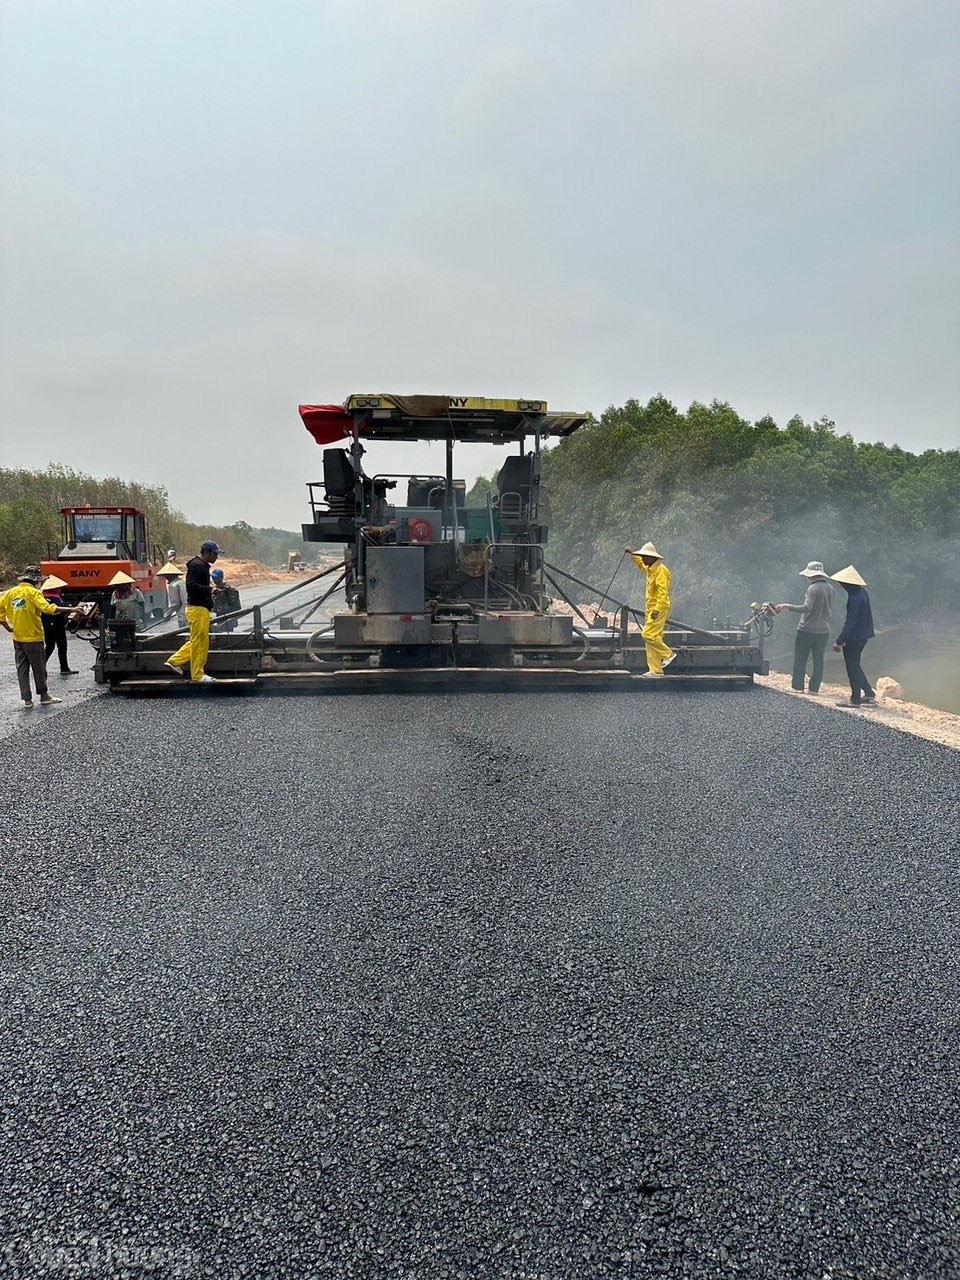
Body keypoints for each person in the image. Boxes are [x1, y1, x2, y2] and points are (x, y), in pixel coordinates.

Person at [0, 566, 70, 708]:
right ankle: (44, 696)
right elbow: (48, 608)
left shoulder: (9, 593)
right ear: (36, 581)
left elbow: (0, 611)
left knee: (22, 669)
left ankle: (27, 700)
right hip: (33, 638)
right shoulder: (34, 593)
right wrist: (72, 609)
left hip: (18, 638)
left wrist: (9, 628)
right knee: (39, 668)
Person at [164, 541, 222, 683]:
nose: (216, 557)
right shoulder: (198, 566)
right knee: (199, 643)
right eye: (215, 554)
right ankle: (197, 675)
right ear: (207, 553)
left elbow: (196, 584)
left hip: (199, 609)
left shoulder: (200, 566)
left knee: (198, 640)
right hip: (197, 609)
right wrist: (209, 589)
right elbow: (190, 584)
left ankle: (175, 661)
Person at [777, 561, 834, 694]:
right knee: (818, 660)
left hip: (807, 629)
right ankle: (814, 689)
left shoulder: (812, 588)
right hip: (824, 630)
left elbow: (806, 608)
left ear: (811, 575)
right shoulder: (830, 588)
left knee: (800, 658)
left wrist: (786, 606)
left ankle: (798, 687)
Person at [625, 541, 676, 677]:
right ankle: (656, 670)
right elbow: (641, 565)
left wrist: (656, 610)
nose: (642, 559)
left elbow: (663, 593)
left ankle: (668, 655)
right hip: (651, 609)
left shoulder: (661, 571)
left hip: (659, 608)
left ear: (652, 557)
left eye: (644, 557)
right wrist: (632, 554)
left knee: (648, 635)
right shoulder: (650, 568)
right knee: (652, 639)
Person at [830, 565, 875, 708]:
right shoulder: (862, 593)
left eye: (842, 583)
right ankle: (869, 693)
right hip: (863, 635)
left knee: (852, 667)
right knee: (855, 665)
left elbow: (851, 622)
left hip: (855, 638)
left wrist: (840, 641)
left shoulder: (855, 599)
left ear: (848, 584)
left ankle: (855, 700)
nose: (841, 585)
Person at [41, 575, 78, 675]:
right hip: (57, 625)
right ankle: (64, 668)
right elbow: (60, 611)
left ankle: (40, 666)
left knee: (49, 646)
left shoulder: (43, 597)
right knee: (62, 646)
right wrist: (73, 609)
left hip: (47, 625)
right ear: (54, 588)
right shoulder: (55, 599)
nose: (60, 590)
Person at [211, 568, 241, 633]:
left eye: (216, 577)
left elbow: (237, 607)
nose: (214, 579)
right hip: (219, 618)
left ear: (221, 578)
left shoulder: (230, 590)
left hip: (228, 618)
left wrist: (233, 619)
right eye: (213, 577)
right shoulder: (214, 590)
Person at [157, 562, 188, 626]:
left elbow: (175, 603)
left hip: (183, 616)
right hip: (190, 613)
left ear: (169, 575)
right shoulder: (182, 582)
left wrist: (167, 614)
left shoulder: (173, 585)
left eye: (165, 575)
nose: (165, 577)